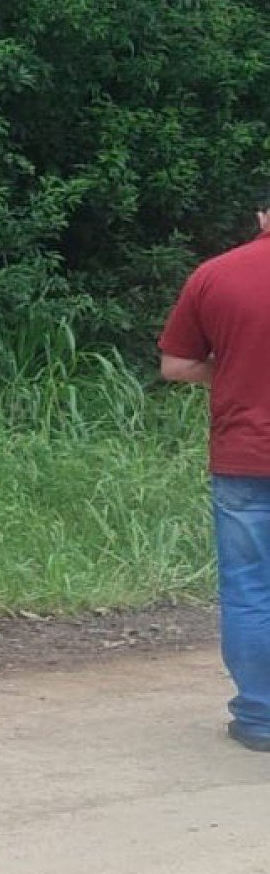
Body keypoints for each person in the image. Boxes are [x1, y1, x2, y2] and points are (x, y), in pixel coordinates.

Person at [159, 198, 270, 751]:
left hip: (245, 457)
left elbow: (176, 366)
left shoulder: (216, 275)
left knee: (250, 589)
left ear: (263, 216)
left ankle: (260, 719)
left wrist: (232, 370)